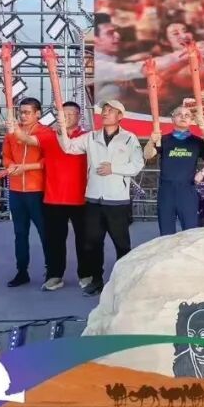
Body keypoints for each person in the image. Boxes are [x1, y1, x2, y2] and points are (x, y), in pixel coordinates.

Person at [58, 99, 145, 297]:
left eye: (110, 110)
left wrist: (114, 169)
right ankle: (96, 280)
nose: (105, 113)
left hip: (117, 200)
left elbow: (137, 164)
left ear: (120, 116)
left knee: (121, 244)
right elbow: (69, 148)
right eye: (104, 110)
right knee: (93, 243)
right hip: (94, 199)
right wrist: (62, 129)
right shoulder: (91, 137)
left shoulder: (129, 138)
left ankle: (123, 281)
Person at [6, 101, 94, 291]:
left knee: (84, 239)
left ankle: (86, 274)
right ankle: (55, 275)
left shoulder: (87, 137)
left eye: (71, 114)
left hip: (81, 197)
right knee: (55, 240)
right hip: (53, 197)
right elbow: (27, 139)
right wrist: (14, 127)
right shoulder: (49, 136)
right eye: (63, 113)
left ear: (79, 116)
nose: (66, 117)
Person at [1, 97, 48, 288]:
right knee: (20, 233)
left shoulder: (46, 133)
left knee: (45, 232)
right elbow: (6, 156)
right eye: (21, 112)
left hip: (37, 191)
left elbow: (47, 160)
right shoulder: (11, 134)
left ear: (38, 113)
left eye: (27, 112)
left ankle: (51, 270)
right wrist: (11, 166)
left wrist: (26, 167)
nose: (23, 115)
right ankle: (22, 272)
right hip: (16, 191)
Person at [144, 106, 204, 235]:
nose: (183, 117)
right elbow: (147, 155)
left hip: (187, 191)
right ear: (172, 119)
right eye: (179, 114)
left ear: (191, 120)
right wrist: (151, 140)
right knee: (166, 234)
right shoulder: (163, 140)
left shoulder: (197, 142)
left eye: (187, 115)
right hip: (166, 192)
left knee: (190, 232)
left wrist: (202, 173)